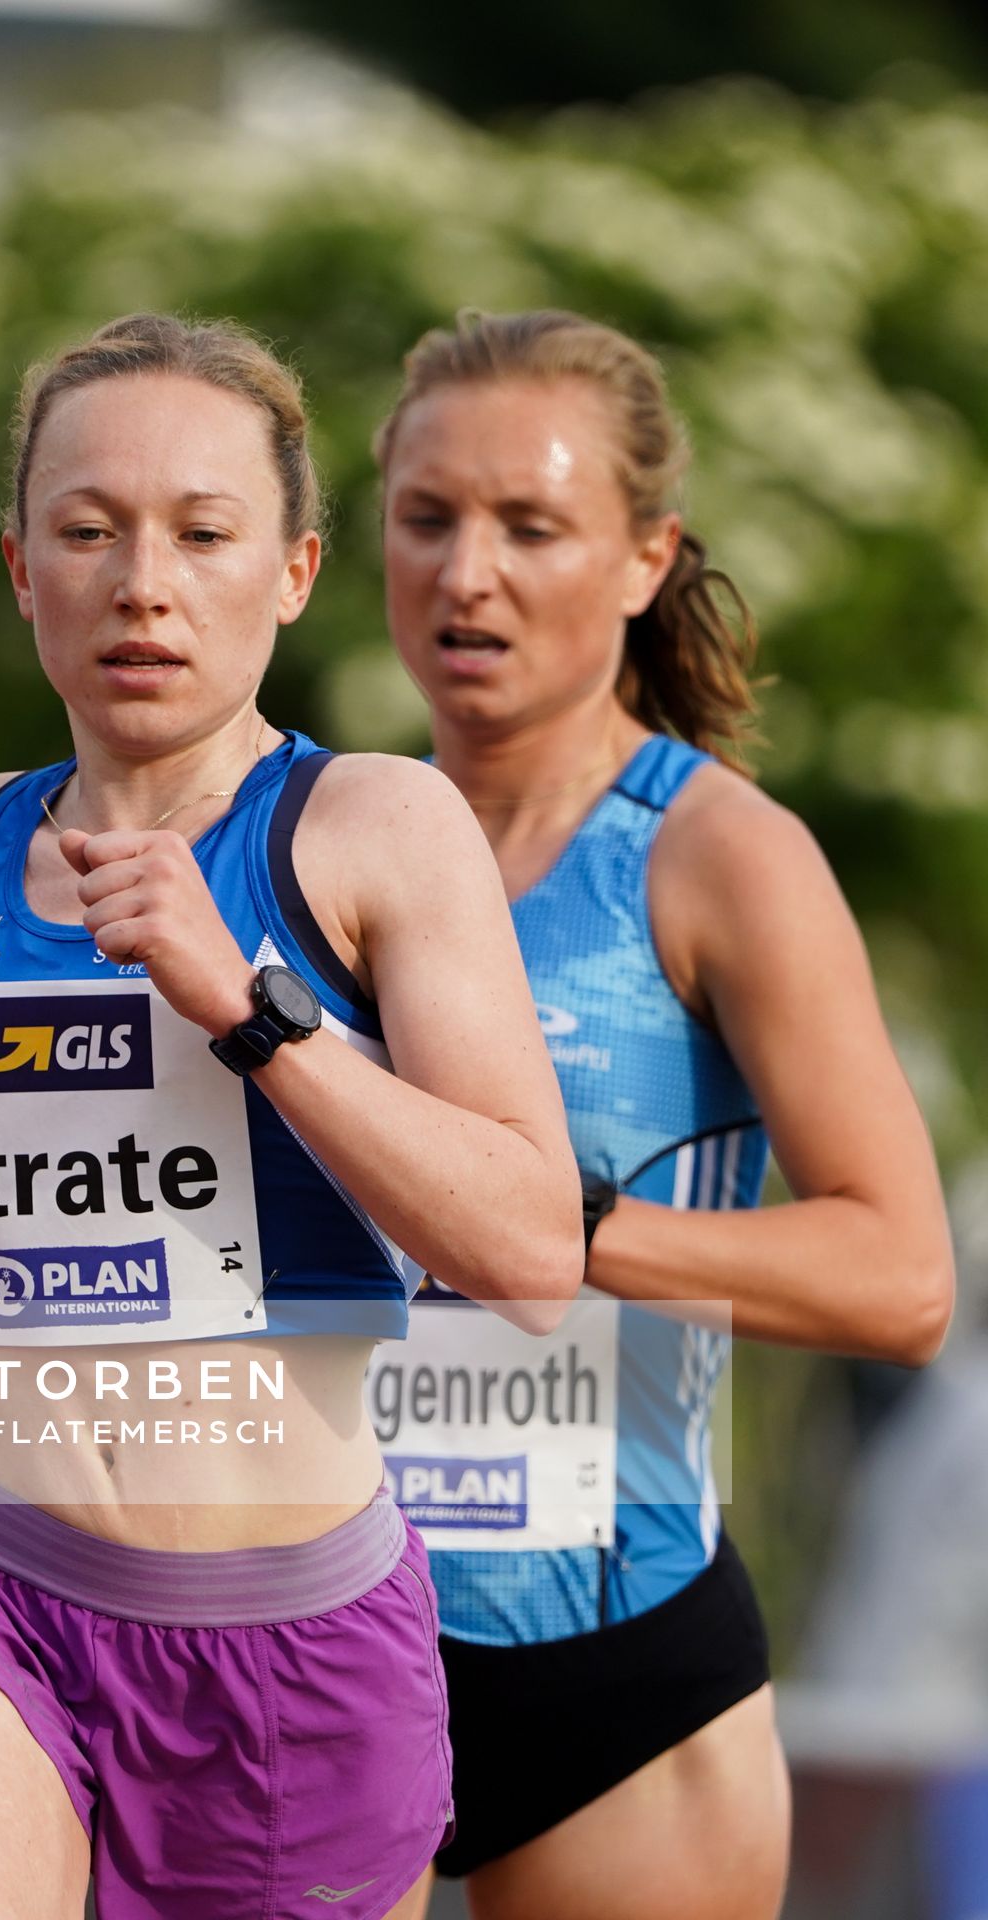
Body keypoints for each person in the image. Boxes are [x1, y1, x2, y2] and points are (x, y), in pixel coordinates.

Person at [0, 312, 582, 1920]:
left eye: (202, 533)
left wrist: (248, 1008)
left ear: (299, 570)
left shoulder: (378, 831)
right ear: (20, 568)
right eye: (88, 532)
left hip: (293, 1633)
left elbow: (530, 1258)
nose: (143, 583)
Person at [369, 309, 956, 1920]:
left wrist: (554, 1225)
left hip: (612, 1671)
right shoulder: (308, 836)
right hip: (313, 1645)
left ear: (644, 557)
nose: (466, 573)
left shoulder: (716, 857)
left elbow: (901, 1280)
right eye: (427, 519)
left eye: (529, 526)